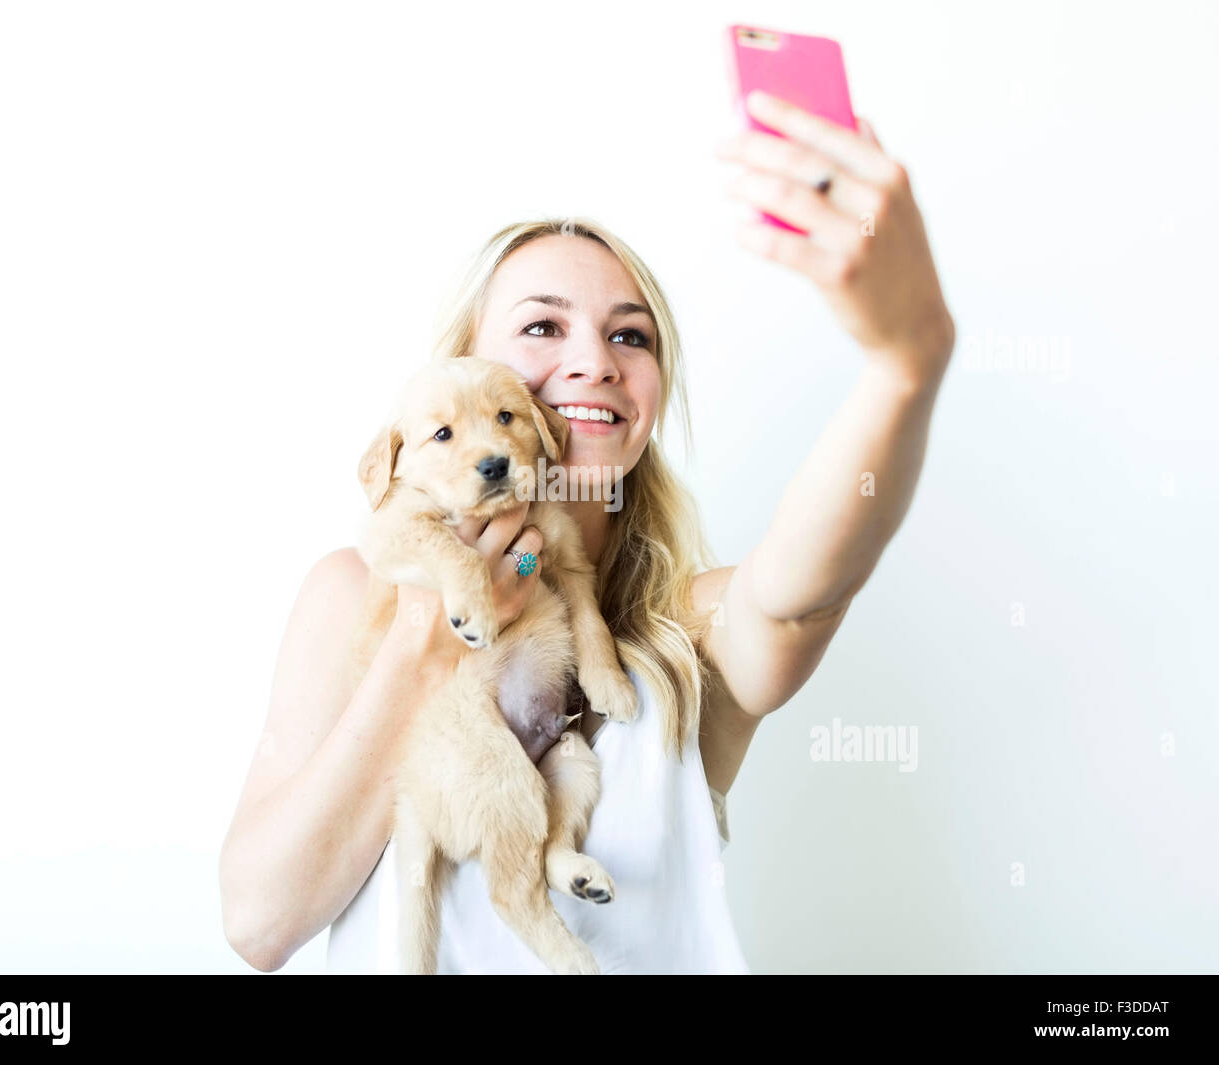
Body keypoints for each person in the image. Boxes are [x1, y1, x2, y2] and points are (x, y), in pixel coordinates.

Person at [218, 91, 955, 974]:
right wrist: (426, 629)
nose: (594, 361)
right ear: (461, 364)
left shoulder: (689, 634)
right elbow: (258, 923)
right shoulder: (350, 592)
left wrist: (905, 362)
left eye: (630, 336)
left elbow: (805, 591)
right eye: (541, 325)